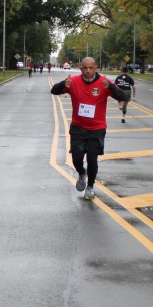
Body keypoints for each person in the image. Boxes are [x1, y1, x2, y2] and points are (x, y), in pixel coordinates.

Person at [50, 56, 126, 200]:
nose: (88, 71)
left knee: (92, 158)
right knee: (76, 158)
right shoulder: (73, 81)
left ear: (96, 68)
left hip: (97, 128)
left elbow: (122, 96)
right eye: (85, 68)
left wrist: (110, 87)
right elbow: (54, 91)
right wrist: (63, 84)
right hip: (78, 128)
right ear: (81, 69)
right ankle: (81, 172)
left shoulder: (104, 82)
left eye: (91, 68)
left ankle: (90, 186)